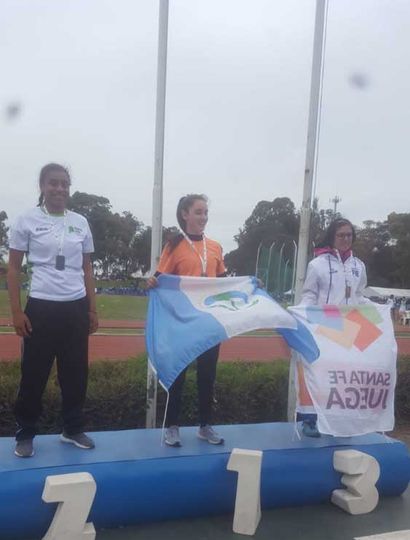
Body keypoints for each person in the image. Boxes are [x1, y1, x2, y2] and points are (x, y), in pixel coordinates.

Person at [7, 163, 98, 457]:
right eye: (53, 183)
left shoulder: (80, 222)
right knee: (34, 373)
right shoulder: (27, 220)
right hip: (41, 307)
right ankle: (25, 432)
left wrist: (92, 310)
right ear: (42, 186)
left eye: (64, 184)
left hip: (75, 307)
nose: (59, 189)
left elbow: (87, 269)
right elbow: (13, 268)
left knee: (75, 374)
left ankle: (72, 429)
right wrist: (16, 312)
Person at [146, 194, 226, 447]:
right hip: (181, 322)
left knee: (207, 376)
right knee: (178, 373)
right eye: (198, 212)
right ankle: (172, 426)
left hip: (209, 322)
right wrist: (151, 282)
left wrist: (249, 285)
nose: (203, 217)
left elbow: (224, 281)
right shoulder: (174, 245)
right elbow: (161, 278)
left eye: (205, 212)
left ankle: (205, 426)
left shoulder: (215, 247)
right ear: (185, 214)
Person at [297, 218, 369, 437]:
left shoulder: (359, 265)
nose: (345, 239)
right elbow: (309, 293)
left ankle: (338, 419)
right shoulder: (317, 264)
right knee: (318, 373)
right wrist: (300, 313)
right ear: (332, 237)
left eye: (349, 235)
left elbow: (359, 295)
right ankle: (309, 420)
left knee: (343, 375)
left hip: (349, 327)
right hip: (324, 325)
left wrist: (381, 308)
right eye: (341, 235)